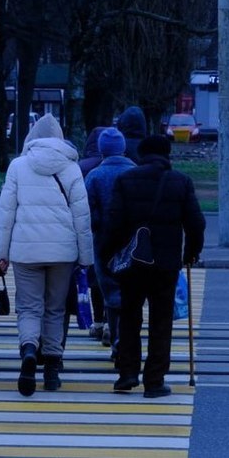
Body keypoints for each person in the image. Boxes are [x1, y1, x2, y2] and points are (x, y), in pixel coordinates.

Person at [0, 113, 93, 397]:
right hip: (63, 252)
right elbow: (81, 218)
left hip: (25, 251)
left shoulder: (17, 166)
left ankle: (28, 353)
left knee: (28, 308)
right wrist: (86, 258)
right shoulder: (72, 169)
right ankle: (51, 370)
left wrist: (1, 254)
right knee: (55, 309)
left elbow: (6, 213)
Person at [102, 134, 204, 398]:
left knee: (129, 318)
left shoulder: (125, 180)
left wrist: (108, 257)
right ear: (167, 153)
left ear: (141, 153)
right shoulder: (180, 181)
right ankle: (154, 381)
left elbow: (112, 224)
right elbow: (196, 223)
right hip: (166, 264)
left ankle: (127, 374)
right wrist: (190, 254)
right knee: (161, 322)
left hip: (132, 263)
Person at [84, 127, 137, 365]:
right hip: (132, 242)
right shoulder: (135, 172)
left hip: (103, 241)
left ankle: (115, 338)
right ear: (123, 148)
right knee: (129, 293)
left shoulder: (94, 176)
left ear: (103, 150)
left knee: (110, 292)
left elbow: (89, 214)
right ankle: (125, 342)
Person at [77, 126, 107, 342]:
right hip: (117, 231)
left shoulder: (81, 168)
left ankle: (98, 321)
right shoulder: (127, 165)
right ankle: (110, 321)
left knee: (95, 277)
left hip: (90, 230)